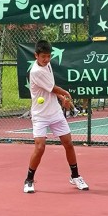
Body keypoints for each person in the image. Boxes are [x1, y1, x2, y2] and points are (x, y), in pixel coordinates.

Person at [23, 40, 89, 193]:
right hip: (40, 115)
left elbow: (50, 91)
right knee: (40, 148)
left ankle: (75, 176)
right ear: (36, 56)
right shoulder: (35, 71)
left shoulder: (48, 65)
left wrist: (61, 99)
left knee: (68, 144)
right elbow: (53, 88)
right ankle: (29, 180)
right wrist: (65, 94)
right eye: (43, 57)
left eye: (48, 56)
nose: (46, 60)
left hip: (55, 113)